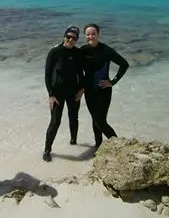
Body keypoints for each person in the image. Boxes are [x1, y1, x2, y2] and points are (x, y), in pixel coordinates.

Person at [80, 23, 129, 150]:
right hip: (89, 91)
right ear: (85, 36)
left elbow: (124, 64)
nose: (91, 36)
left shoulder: (106, 50)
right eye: (88, 34)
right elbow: (68, 58)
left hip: (104, 91)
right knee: (95, 120)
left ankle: (120, 147)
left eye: (93, 34)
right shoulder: (82, 50)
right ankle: (98, 146)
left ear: (98, 35)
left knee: (100, 121)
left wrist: (113, 81)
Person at [43, 26, 85, 162]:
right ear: (64, 36)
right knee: (55, 122)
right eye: (68, 37)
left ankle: (73, 142)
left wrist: (82, 89)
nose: (71, 40)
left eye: (74, 38)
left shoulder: (78, 54)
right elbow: (48, 75)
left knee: (74, 117)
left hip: (74, 92)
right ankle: (47, 150)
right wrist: (51, 94)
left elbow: (82, 73)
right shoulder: (54, 52)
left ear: (77, 39)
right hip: (57, 93)